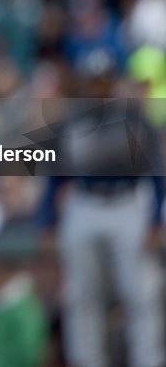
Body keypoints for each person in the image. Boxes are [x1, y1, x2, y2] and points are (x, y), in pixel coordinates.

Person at [37, 48, 165, 367]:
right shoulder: (72, 122)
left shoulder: (135, 120)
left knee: (140, 294)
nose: (99, 87)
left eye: (104, 80)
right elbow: (55, 177)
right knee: (81, 295)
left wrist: (154, 220)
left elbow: (158, 175)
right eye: (93, 81)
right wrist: (47, 222)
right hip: (85, 204)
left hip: (127, 204)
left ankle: (147, 361)